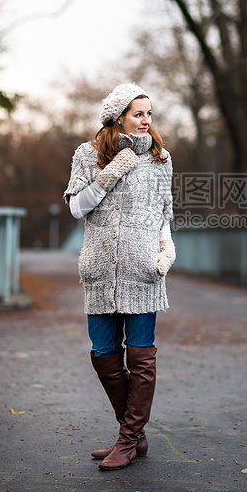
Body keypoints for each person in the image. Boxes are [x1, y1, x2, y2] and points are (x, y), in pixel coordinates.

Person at [64, 83, 175, 471]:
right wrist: (111, 172)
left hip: (143, 271)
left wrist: (166, 250)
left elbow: (164, 215)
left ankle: (128, 440)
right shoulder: (88, 154)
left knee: (141, 357)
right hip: (99, 269)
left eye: (149, 113)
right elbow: (77, 208)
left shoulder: (161, 159)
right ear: (118, 117)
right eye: (138, 113)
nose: (146, 121)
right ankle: (134, 434)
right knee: (103, 355)